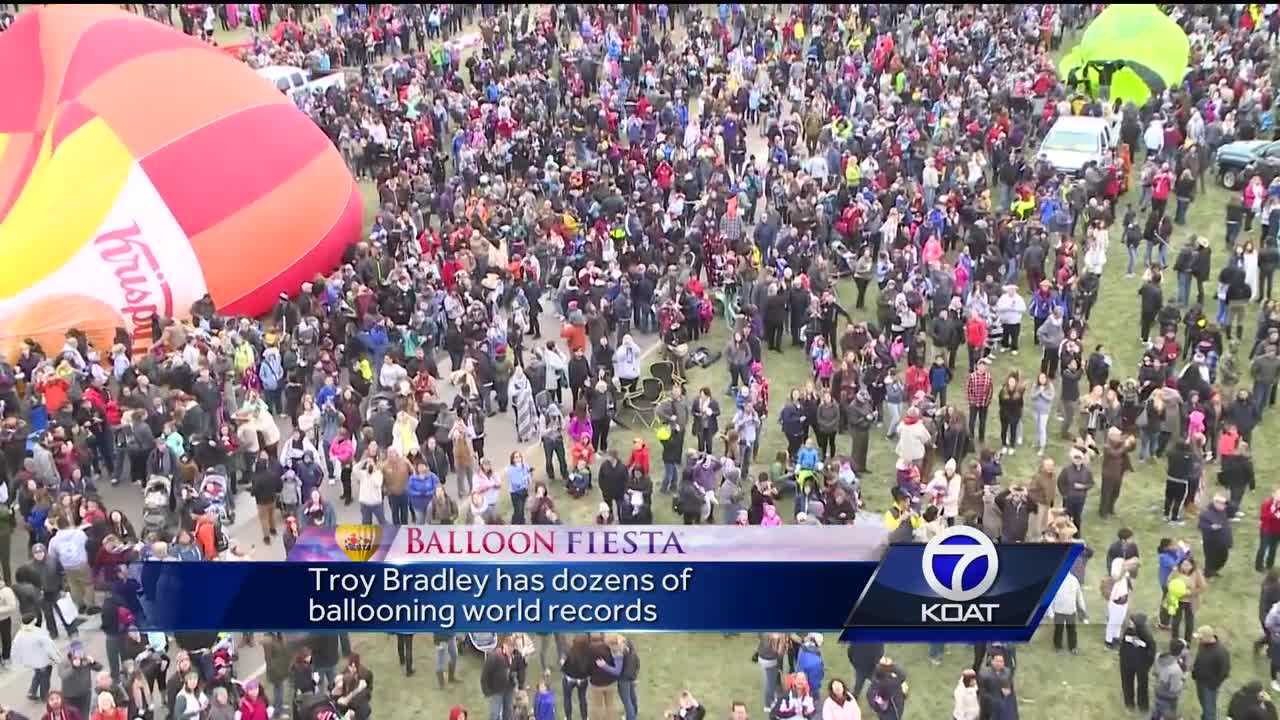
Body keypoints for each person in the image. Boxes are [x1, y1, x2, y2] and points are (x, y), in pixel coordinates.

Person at [13, 614, 58, 702]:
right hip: (41, 659)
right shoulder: (37, 632)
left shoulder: (20, 633)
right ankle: (44, 696)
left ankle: (32, 691)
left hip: (31, 659)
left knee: (38, 674)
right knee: (45, 676)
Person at [1191, 626, 1231, 720]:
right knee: (1203, 704)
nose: (1198, 640)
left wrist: (1214, 684)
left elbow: (1225, 672)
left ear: (1207, 638)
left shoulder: (1221, 652)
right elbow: (1199, 659)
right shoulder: (1202, 644)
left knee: (1209, 709)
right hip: (1199, 681)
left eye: (1200, 638)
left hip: (1209, 686)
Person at [1152, 639, 1188, 720]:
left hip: (1158, 691)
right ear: (1181, 651)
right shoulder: (1176, 669)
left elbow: (1155, 672)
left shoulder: (1159, 656)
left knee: (1157, 713)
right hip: (1168, 698)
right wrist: (1183, 679)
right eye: (1185, 649)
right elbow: (1174, 689)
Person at [1051, 569, 1086, 654]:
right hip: (1059, 610)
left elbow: (1079, 595)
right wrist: (1051, 611)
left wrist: (1082, 608)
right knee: (1059, 629)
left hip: (1070, 610)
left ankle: (1072, 647)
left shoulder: (1074, 580)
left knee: (1071, 629)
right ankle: (1058, 646)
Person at [481, 637, 515, 720]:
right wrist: (486, 691)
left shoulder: (514, 656)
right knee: (495, 714)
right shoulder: (494, 656)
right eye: (509, 647)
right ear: (504, 645)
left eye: (513, 647)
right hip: (496, 690)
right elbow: (485, 675)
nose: (511, 649)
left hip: (509, 689)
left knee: (508, 711)